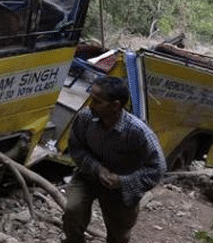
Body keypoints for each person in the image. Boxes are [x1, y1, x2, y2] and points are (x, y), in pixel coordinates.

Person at [62, 75, 165, 243]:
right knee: (73, 211)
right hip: (88, 175)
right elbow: (76, 148)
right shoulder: (85, 118)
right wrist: (97, 168)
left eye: (97, 101)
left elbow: (157, 168)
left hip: (121, 188)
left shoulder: (137, 132)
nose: (90, 105)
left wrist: (123, 181)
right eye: (91, 98)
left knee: (119, 234)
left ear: (116, 105)